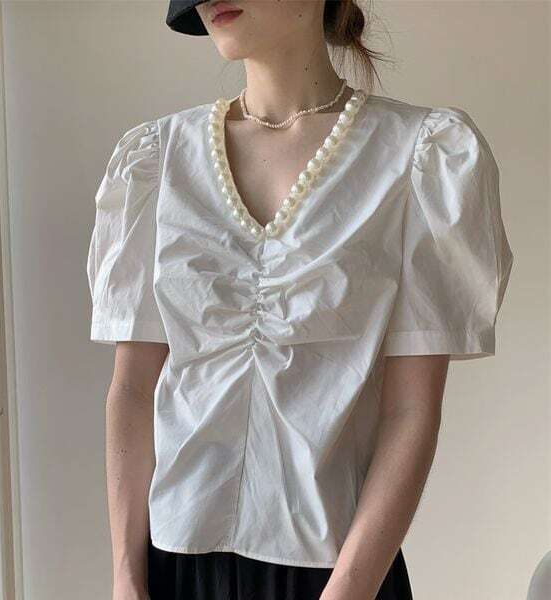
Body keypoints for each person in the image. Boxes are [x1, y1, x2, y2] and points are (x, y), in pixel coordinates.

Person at [86, 1, 514, 599]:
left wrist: (347, 591)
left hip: (339, 570)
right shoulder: (156, 160)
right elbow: (132, 389)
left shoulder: (421, 156)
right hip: (173, 566)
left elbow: (411, 411)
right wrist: (126, 578)